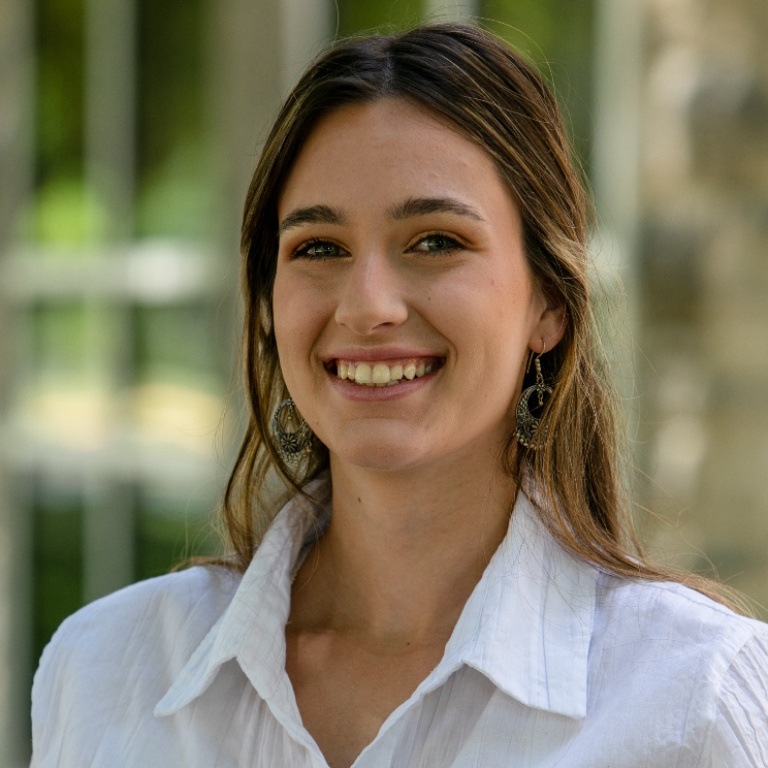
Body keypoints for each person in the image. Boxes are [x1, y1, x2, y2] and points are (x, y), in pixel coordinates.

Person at [31, 23, 768, 768]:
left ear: (549, 302)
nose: (367, 305)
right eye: (320, 248)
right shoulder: (104, 672)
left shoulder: (693, 697)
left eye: (436, 241)